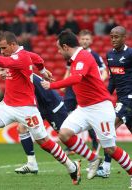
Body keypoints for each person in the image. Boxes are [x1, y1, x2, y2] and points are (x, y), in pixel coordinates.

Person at [0, 31, 81, 185]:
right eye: (0, 48)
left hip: (27, 109)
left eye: (4, 48)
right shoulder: (26, 54)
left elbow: (2, 62)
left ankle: (71, 166)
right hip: (7, 105)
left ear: (13, 45)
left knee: (44, 143)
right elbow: (39, 59)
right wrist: (42, 71)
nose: (2, 51)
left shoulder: (20, 57)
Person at [41, 30, 132, 180]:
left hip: (100, 108)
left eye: (58, 48)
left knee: (110, 149)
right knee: (64, 134)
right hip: (84, 109)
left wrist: (52, 85)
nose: (57, 52)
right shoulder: (75, 59)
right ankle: (93, 159)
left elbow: (76, 78)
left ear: (65, 46)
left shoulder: (83, 56)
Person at [0, 66, 68, 174]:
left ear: (9, 68)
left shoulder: (20, 75)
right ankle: (32, 164)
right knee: (22, 128)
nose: (0, 73)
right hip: (40, 107)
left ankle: (92, 159)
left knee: (67, 137)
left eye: (2, 70)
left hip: (53, 106)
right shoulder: (14, 78)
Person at [63, 29, 108, 156]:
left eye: (87, 39)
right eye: (83, 39)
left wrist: (99, 81)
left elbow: (104, 71)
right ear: (79, 40)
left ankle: (95, 142)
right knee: (67, 115)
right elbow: (69, 71)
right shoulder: (73, 55)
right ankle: (71, 144)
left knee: (88, 117)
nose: (85, 41)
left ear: (91, 41)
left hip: (86, 90)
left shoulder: (93, 55)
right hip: (72, 89)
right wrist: (64, 83)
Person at [96, 26, 132, 178]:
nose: (113, 40)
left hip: (129, 99)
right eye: (111, 37)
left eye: (116, 37)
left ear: (124, 38)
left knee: (108, 127)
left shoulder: (130, 54)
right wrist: (104, 97)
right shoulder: (110, 55)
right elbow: (113, 80)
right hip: (121, 98)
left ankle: (106, 167)